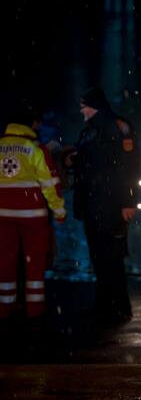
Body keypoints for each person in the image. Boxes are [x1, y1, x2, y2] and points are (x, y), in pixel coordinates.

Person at [67, 87, 139, 325]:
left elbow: (129, 166)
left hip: (110, 203)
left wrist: (128, 201)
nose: (81, 111)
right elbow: (88, 161)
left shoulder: (117, 127)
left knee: (112, 256)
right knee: (100, 256)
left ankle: (119, 307)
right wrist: (70, 160)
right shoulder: (91, 130)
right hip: (94, 203)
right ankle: (106, 305)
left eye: (84, 106)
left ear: (94, 106)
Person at [0, 102, 65, 323]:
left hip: (2, 215)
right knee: (35, 262)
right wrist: (59, 212)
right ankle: (35, 311)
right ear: (30, 124)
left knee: (4, 261)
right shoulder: (36, 149)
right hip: (32, 216)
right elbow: (50, 184)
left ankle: (4, 308)